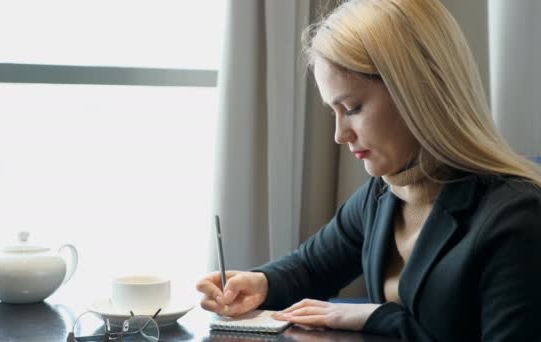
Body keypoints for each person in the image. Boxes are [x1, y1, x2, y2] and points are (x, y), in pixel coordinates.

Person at [196, 0, 541, 340]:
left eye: (352, 107)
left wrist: (379, 317)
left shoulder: (516, 217)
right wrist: (261, 284)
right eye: (334, 111)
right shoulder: (382, 197)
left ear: (417, 91)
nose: (339, 134)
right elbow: (311, 267)